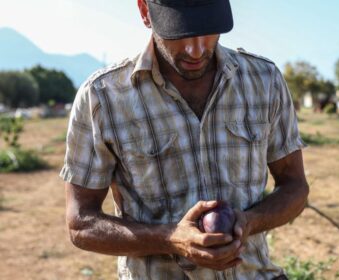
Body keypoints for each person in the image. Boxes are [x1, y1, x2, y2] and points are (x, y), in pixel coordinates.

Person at [59, 0, 309, 279]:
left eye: (208, 29)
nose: (197, 49)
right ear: (145, 11)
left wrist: (249, 222)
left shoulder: (264, 81)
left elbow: (295, 186)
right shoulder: (102, 98)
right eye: (179, 32)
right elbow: (81, 224)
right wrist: (171, 239)